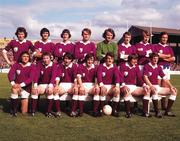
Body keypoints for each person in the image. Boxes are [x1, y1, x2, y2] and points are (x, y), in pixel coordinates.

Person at [143, 53, 177, 118]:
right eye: (154, 58)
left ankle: (167, 111)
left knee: (174, 91)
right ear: (150, 59)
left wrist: (171, 86)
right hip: (149, 87)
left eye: (157, 59)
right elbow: (145, 77)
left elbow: (165, 78)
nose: (156, 60)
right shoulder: (146, 66)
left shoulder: (158, 67)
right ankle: (157, 112)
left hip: (157, 86)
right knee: (154, 91)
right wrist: (151, 86)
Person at [120, 54, 150, 118]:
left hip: (133, 87)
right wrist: (123, 85)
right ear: (129, 59)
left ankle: (145, 112)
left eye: (136, 59)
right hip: (123, 86)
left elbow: (139, 78)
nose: (135, 61)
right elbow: (120, 78)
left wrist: (144, 85)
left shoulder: (136, 66)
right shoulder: (123, 66)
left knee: (146, 90)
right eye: (134, 59)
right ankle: (128, 113)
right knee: (126, 90)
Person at [8, 52, 35, 116]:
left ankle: (19, 103)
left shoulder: (32, 66)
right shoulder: (16, 64)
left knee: (24, 111)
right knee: (14, 90)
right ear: (21, 57)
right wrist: (13, 83)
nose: (25, 58)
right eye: (24, 56)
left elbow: (31, 78)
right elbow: (10, 74)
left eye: (27, 56)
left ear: (29, 58)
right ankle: (14, 111)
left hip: (26, 89)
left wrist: (20, 85)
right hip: (16, 87)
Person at [31, 52, 57, 117]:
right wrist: (35, 85)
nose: (45, 60)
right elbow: (37, 75)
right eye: (44, 58)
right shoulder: (40, 64)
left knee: (50, 91)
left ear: (50, 58)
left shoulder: (54, 65)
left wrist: (50, 85)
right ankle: (33, 110)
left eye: (47, 58)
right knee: (34, 91)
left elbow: (53, 76)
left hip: (50, 84)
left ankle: (48, 111)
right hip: (42, 84)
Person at [154, 32, 175, 110]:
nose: (164, 39)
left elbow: (173, 58)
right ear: (160, 38)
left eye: (166, 37)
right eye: (163, 37)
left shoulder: (169, 47)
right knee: (158, 87)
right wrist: (167, 56)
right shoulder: (156, 46)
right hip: (159, 68)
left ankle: (163, 106)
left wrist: (163, 57)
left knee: (165, 87)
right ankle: (156, 106)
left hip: (167, 68)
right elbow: (157, 56)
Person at [53, 52, 79, 117]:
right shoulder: (60, 66)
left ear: (71, 60)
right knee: (56, 90)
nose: (66, 60)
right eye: (65, 58)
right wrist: (56, 85)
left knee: (76, 90)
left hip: (71, 85)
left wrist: (75, 86)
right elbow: (58, 77)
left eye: (68, 59)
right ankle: (58, 111)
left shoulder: (74, 66)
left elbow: (75, 78)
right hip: (62, 85)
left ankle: (72, 111)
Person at [97, 52, 120, 117]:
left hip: (111, 86)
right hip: (103, 85)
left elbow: (117, 77)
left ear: (113, 60)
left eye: (111, 59)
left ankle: (114, 110)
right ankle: (101, 110)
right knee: (103, 90)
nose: (110, 60)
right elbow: (99, 77)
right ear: (105, 59)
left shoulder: (115, 67)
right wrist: (101, 85)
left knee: (117, 90)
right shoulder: (101, 66)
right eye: (108, 58)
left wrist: (117, 86)